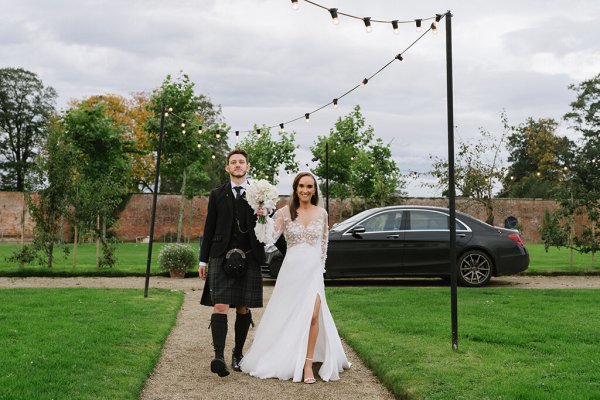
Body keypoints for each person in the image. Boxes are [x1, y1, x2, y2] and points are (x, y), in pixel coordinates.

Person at [240, 172, 350, 383]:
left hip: (313, 272)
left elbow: (324, 246)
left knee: (314, 316)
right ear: (295, 188)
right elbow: (268, 237)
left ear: (315, 189)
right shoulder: (284, 212)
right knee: (288, 315)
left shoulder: (322, 213)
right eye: (301, 186)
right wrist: (262, 217)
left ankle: (308, 364)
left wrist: (321, 270)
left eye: (309, 186)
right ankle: (286, 353)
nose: (305, 190)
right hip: (292, 272)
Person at [199, 149, 265, 377]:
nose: (237, 165)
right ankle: (218, 356)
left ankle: (237, 354)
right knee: (220, 306)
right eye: (233, 162)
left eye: (241, 162)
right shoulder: (217, 194)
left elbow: (265, 226)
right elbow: (209, 228)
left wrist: (263, 214)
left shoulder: (259, 194)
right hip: (221, 254)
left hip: (249, 255)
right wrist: (203, 259)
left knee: (243, 306)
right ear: (227, 168)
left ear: (247, 167)